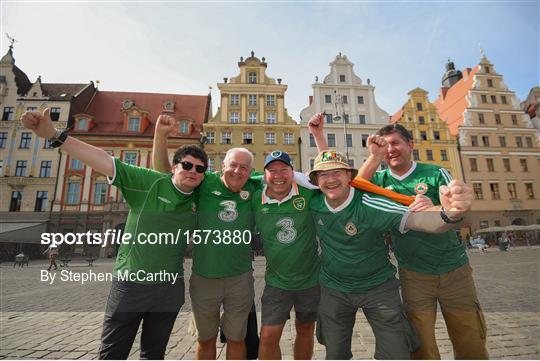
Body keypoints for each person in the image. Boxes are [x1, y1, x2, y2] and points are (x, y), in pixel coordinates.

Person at [21, 108, 207, 359]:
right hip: (131, 284)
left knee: (154, 353)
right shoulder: (148, 183)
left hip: (170, 287)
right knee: (112, 353)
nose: (193, 171)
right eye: (187, 165)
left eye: (199, 169)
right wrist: (55, 135)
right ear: (174, 168)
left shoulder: (201, 196)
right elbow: (103, 160)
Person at [306, 148, 474, 360]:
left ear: (350, 176)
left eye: (337, 173)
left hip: (377, 288)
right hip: (334, 288)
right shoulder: (313, 202)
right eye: (323, 175)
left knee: (396, 353)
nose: (330, 180)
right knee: (335, 353)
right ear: (316, 180)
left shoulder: (371, 204)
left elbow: (418, 221)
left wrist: (448, 214)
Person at [355, 122, 489, 359]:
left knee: (469, 338)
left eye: (396, 143)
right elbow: (355, 191)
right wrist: (374, 157)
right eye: (385, 146)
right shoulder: (381, 179)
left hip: (453, 270)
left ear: (411, 144)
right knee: (421, 343)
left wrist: (436, 207)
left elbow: (464, 218)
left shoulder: (435, 173)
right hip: (413, 274)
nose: (391, 149)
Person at [153, 120, 260, 360]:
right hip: (204, 277)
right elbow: (165, 173)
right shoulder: (204, 182)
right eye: (233, 165)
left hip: (240, 278)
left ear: (251, 172)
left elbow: (287, 177)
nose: (238, 171)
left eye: (244, 168)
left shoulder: (255, 187)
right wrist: (160, 136)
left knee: (237, 337)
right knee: (205, 338)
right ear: (222, 166)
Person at [253, 151, 320, 360]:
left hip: (310, 281)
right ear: (264, 175)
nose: (278, 175)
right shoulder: (255, 199)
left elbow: (329, 178)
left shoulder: (308, 194)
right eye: (272, 171)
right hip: (276, 282)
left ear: (293, 172)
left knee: (305, 330)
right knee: (267, 337)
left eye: (284, 170)